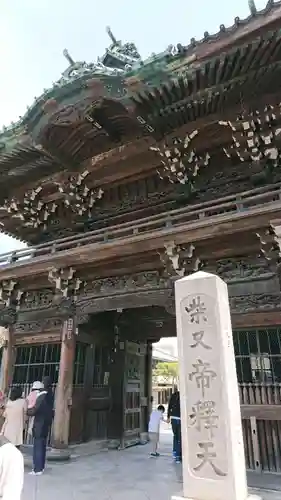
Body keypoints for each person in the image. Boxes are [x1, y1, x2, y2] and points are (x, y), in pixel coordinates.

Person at [27, 376, 54, 475]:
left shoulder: (42, 395)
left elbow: (35, 410)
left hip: (39, 423)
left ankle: (37, 469)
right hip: (46, 422)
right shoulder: (50, 394)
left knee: (37, 446)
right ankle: (41, 467)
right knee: (42, 446)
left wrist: (27, 411)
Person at [167, 388, 181, 463]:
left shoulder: (174, 395)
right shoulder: (184, 395)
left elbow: (169, 406)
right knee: (180, 437)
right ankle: (178, 456)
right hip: (181, 419)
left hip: (173, 418)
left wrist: (168, 417)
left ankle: (175, 453)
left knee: (175, 436)